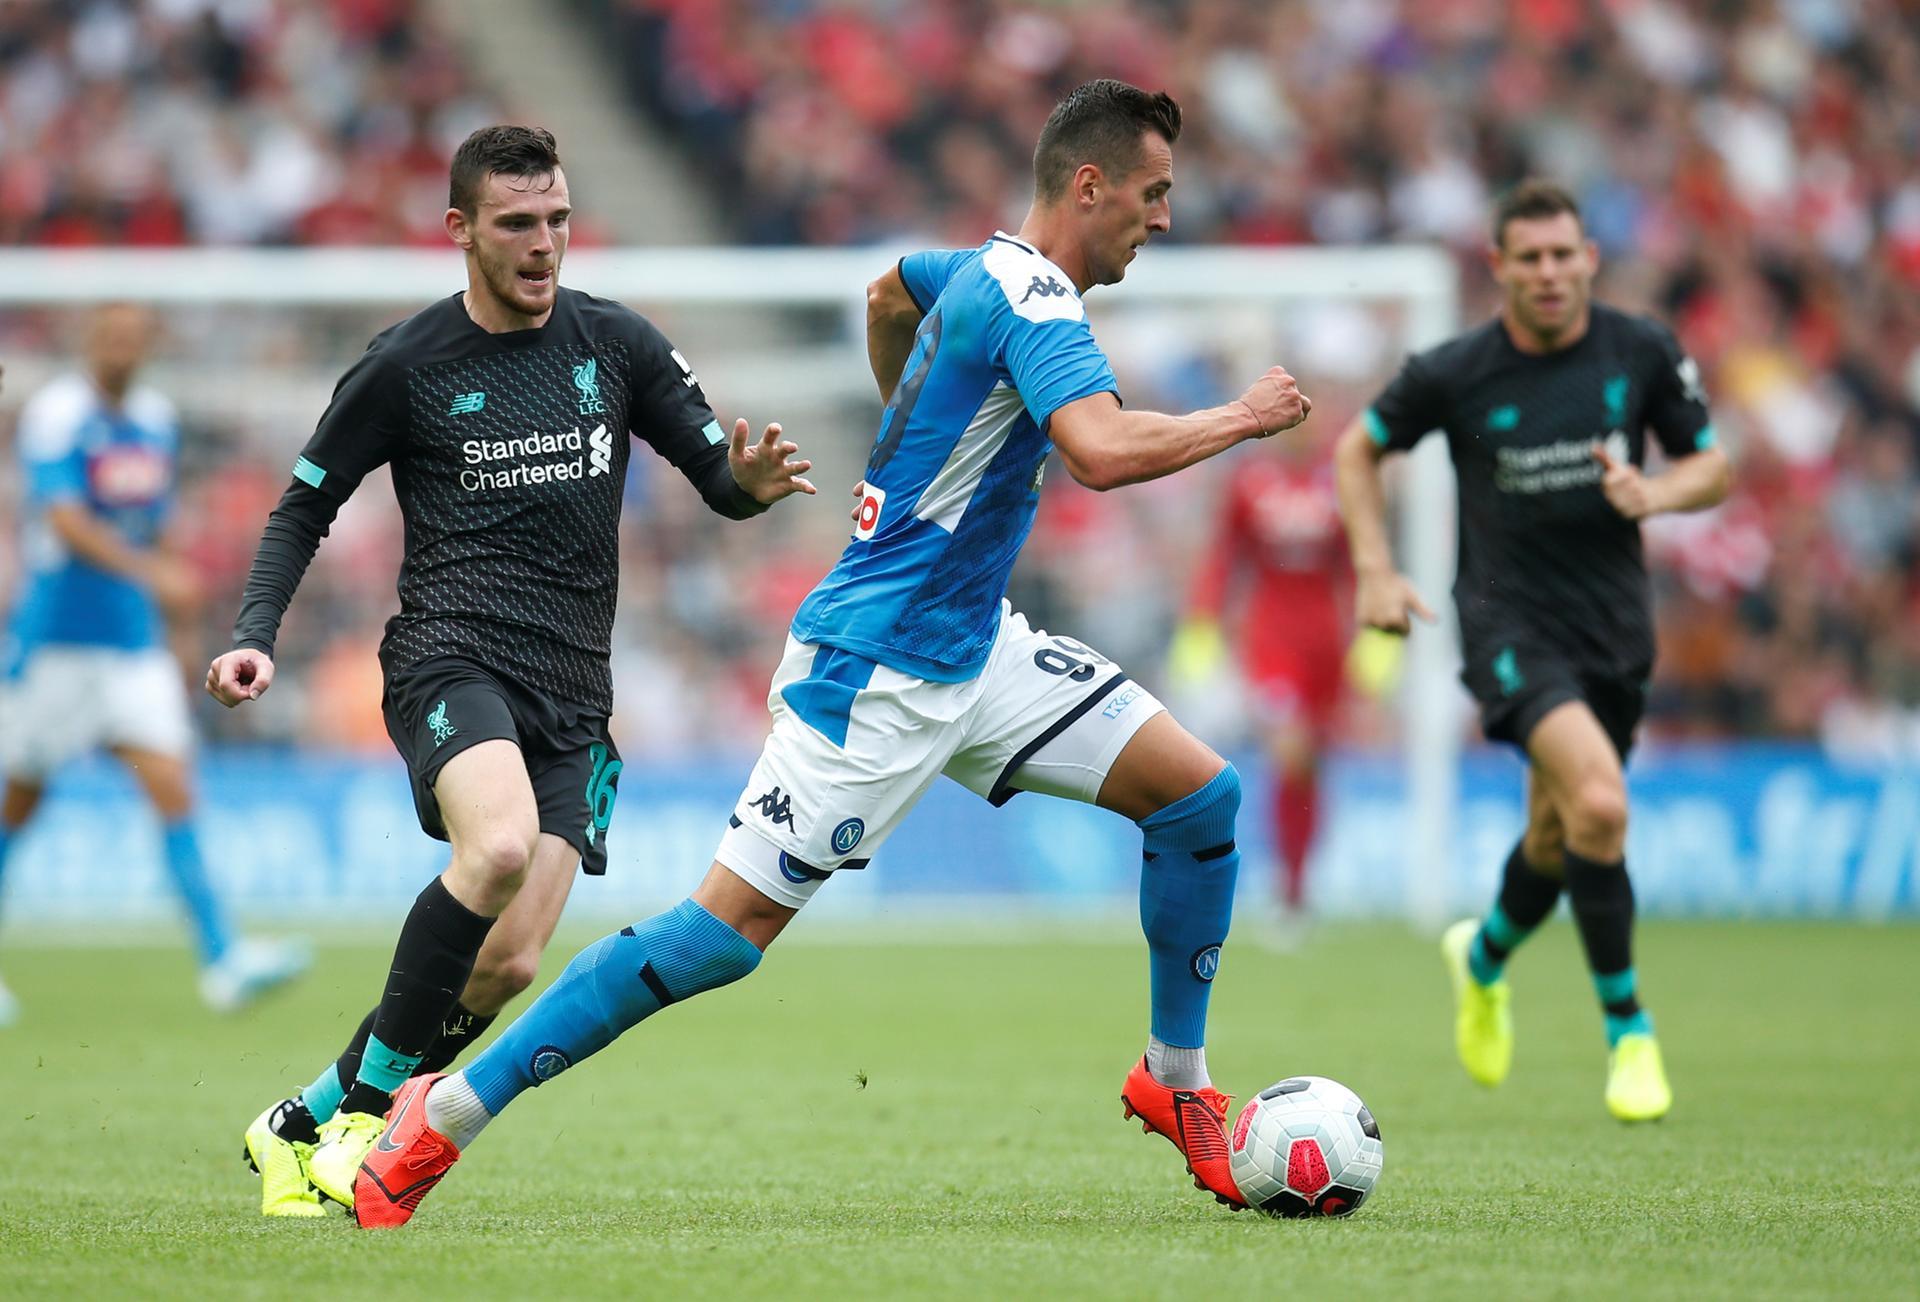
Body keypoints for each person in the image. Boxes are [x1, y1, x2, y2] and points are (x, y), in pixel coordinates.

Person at [350, 78, 1314, 1229]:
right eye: (1153, 194)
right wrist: (1244, 417)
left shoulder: (977, 269)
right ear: (1089, 184)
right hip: (875, 673)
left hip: (976, 650)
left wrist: (909, 433)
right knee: (718, 940)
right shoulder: (1037, 299)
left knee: (1201, 802)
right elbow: (1099, 453)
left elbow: (884, 290)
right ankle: (442, 1114)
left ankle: (1177, 1078)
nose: (1163, 218)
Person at [205, 125, 815, 1218]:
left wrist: (751, 481)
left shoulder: (615, 344)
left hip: (574, 694)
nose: (545, 245)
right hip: (451, 657)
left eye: (559, 222)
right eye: (519, 225)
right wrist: (259, 629)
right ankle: (359, 1128)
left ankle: (300, 1116)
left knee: (509, 965)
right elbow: (306, 502)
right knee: (489, 850)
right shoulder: (406, 365)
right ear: (462, 232)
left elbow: (716, 479)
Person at [1332, 180, 1731, 1121]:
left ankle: (1482, 959)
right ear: (1499, 267)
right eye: (1531, 258)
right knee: (1601, 802)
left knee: (1564, 834)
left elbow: (1712, 465)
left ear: (1589, 258)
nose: (1550, 273)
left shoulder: (1640, 352)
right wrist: (1375, 570)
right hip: (1509, 629)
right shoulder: (1456, 372)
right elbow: (1358, 449)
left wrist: (1656, 496)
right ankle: (1629, 1032)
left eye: (1565, 255)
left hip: (1615, 634)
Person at [0, 305, 309, 1029]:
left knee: (172, 780)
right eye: (110, 337)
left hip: (130, 643)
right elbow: (66, 521)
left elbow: (159, 521)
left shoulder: (154, 419)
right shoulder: (58, 414)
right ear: (89, 342)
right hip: (57, 643)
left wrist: (176, 620)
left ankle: (222, 958)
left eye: (135, 339)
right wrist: (154, 574)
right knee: (20, 799)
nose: (122, 350)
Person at [1172, 425, 1350, 943]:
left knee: (1312, 768)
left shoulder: (1336, 482)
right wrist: (1202, 623)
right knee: (1288, 751)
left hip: (1327, 645)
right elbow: (1225, 557)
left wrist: (1370, 640)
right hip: (1272, 641)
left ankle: (1299, 886)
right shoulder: (1251, 483)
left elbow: (1355, 566)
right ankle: (1283, 888)